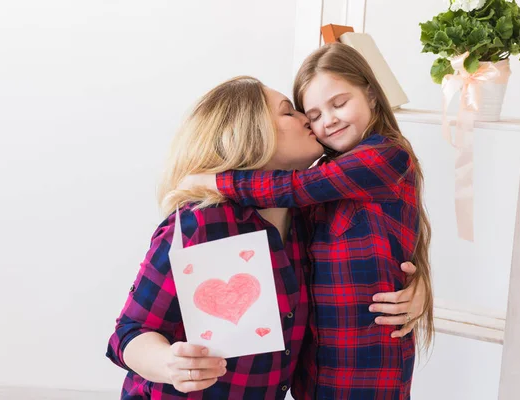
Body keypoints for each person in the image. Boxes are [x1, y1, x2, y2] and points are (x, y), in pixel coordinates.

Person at [106, 75, 426, 399]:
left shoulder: (311, 223)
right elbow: (128, 334)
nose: (309, 120)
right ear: (251, 133)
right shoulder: (203, 224)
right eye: (291, 112)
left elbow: (371, 262)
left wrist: (416, 287)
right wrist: (169, 363)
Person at [181, 43, 434, 399]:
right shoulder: (319, 183)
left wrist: (215, 181)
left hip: (369, 367)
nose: (327, 120)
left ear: (373, 97)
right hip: (313, 371)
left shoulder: (388, 155)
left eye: (339, 103)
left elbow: (298, 187)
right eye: (313, 114)